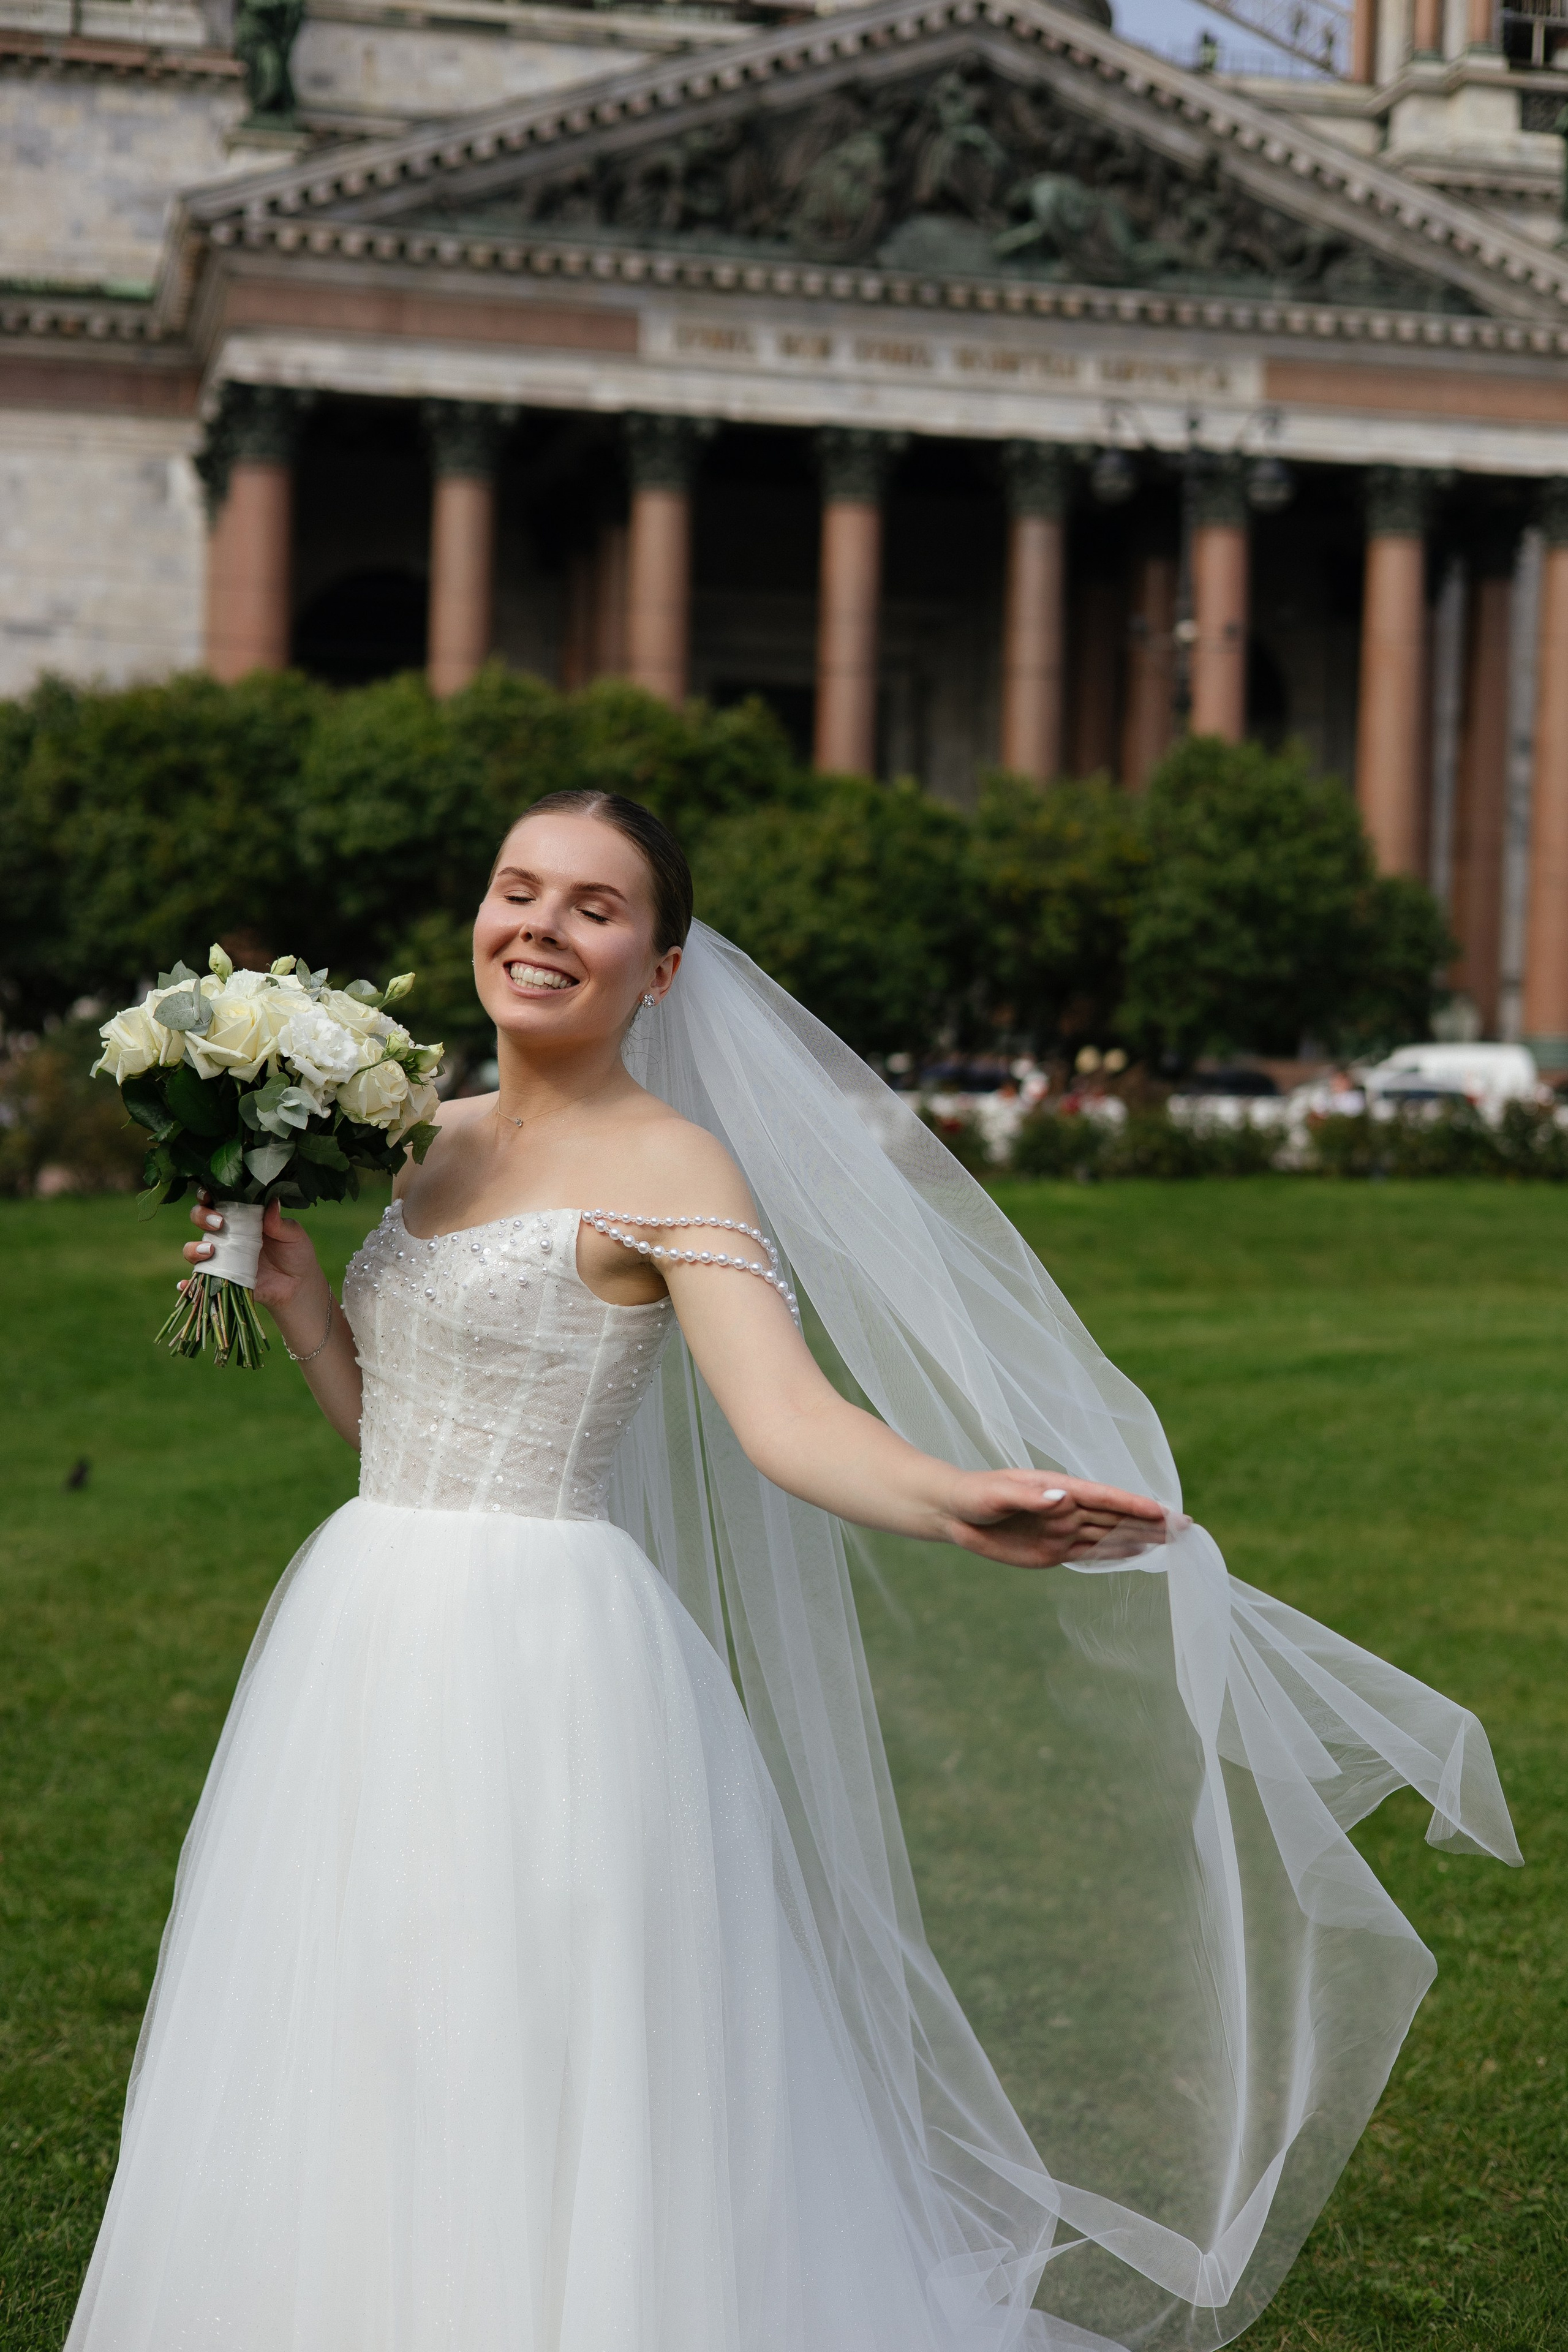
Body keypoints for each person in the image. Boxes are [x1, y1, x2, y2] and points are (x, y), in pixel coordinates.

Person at [67, 792, 1518, 2352]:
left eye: (594, 908)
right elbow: (397, 1433)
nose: (540, 927)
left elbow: (789, 1419)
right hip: (364, 1621)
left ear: (661, 969)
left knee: (524, 2024)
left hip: (543, 1658)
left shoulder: (672, 1162)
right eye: (516, 890)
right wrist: (302, 1310)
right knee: (359, 2009)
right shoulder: (431, 1138)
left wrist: (956, 1494)